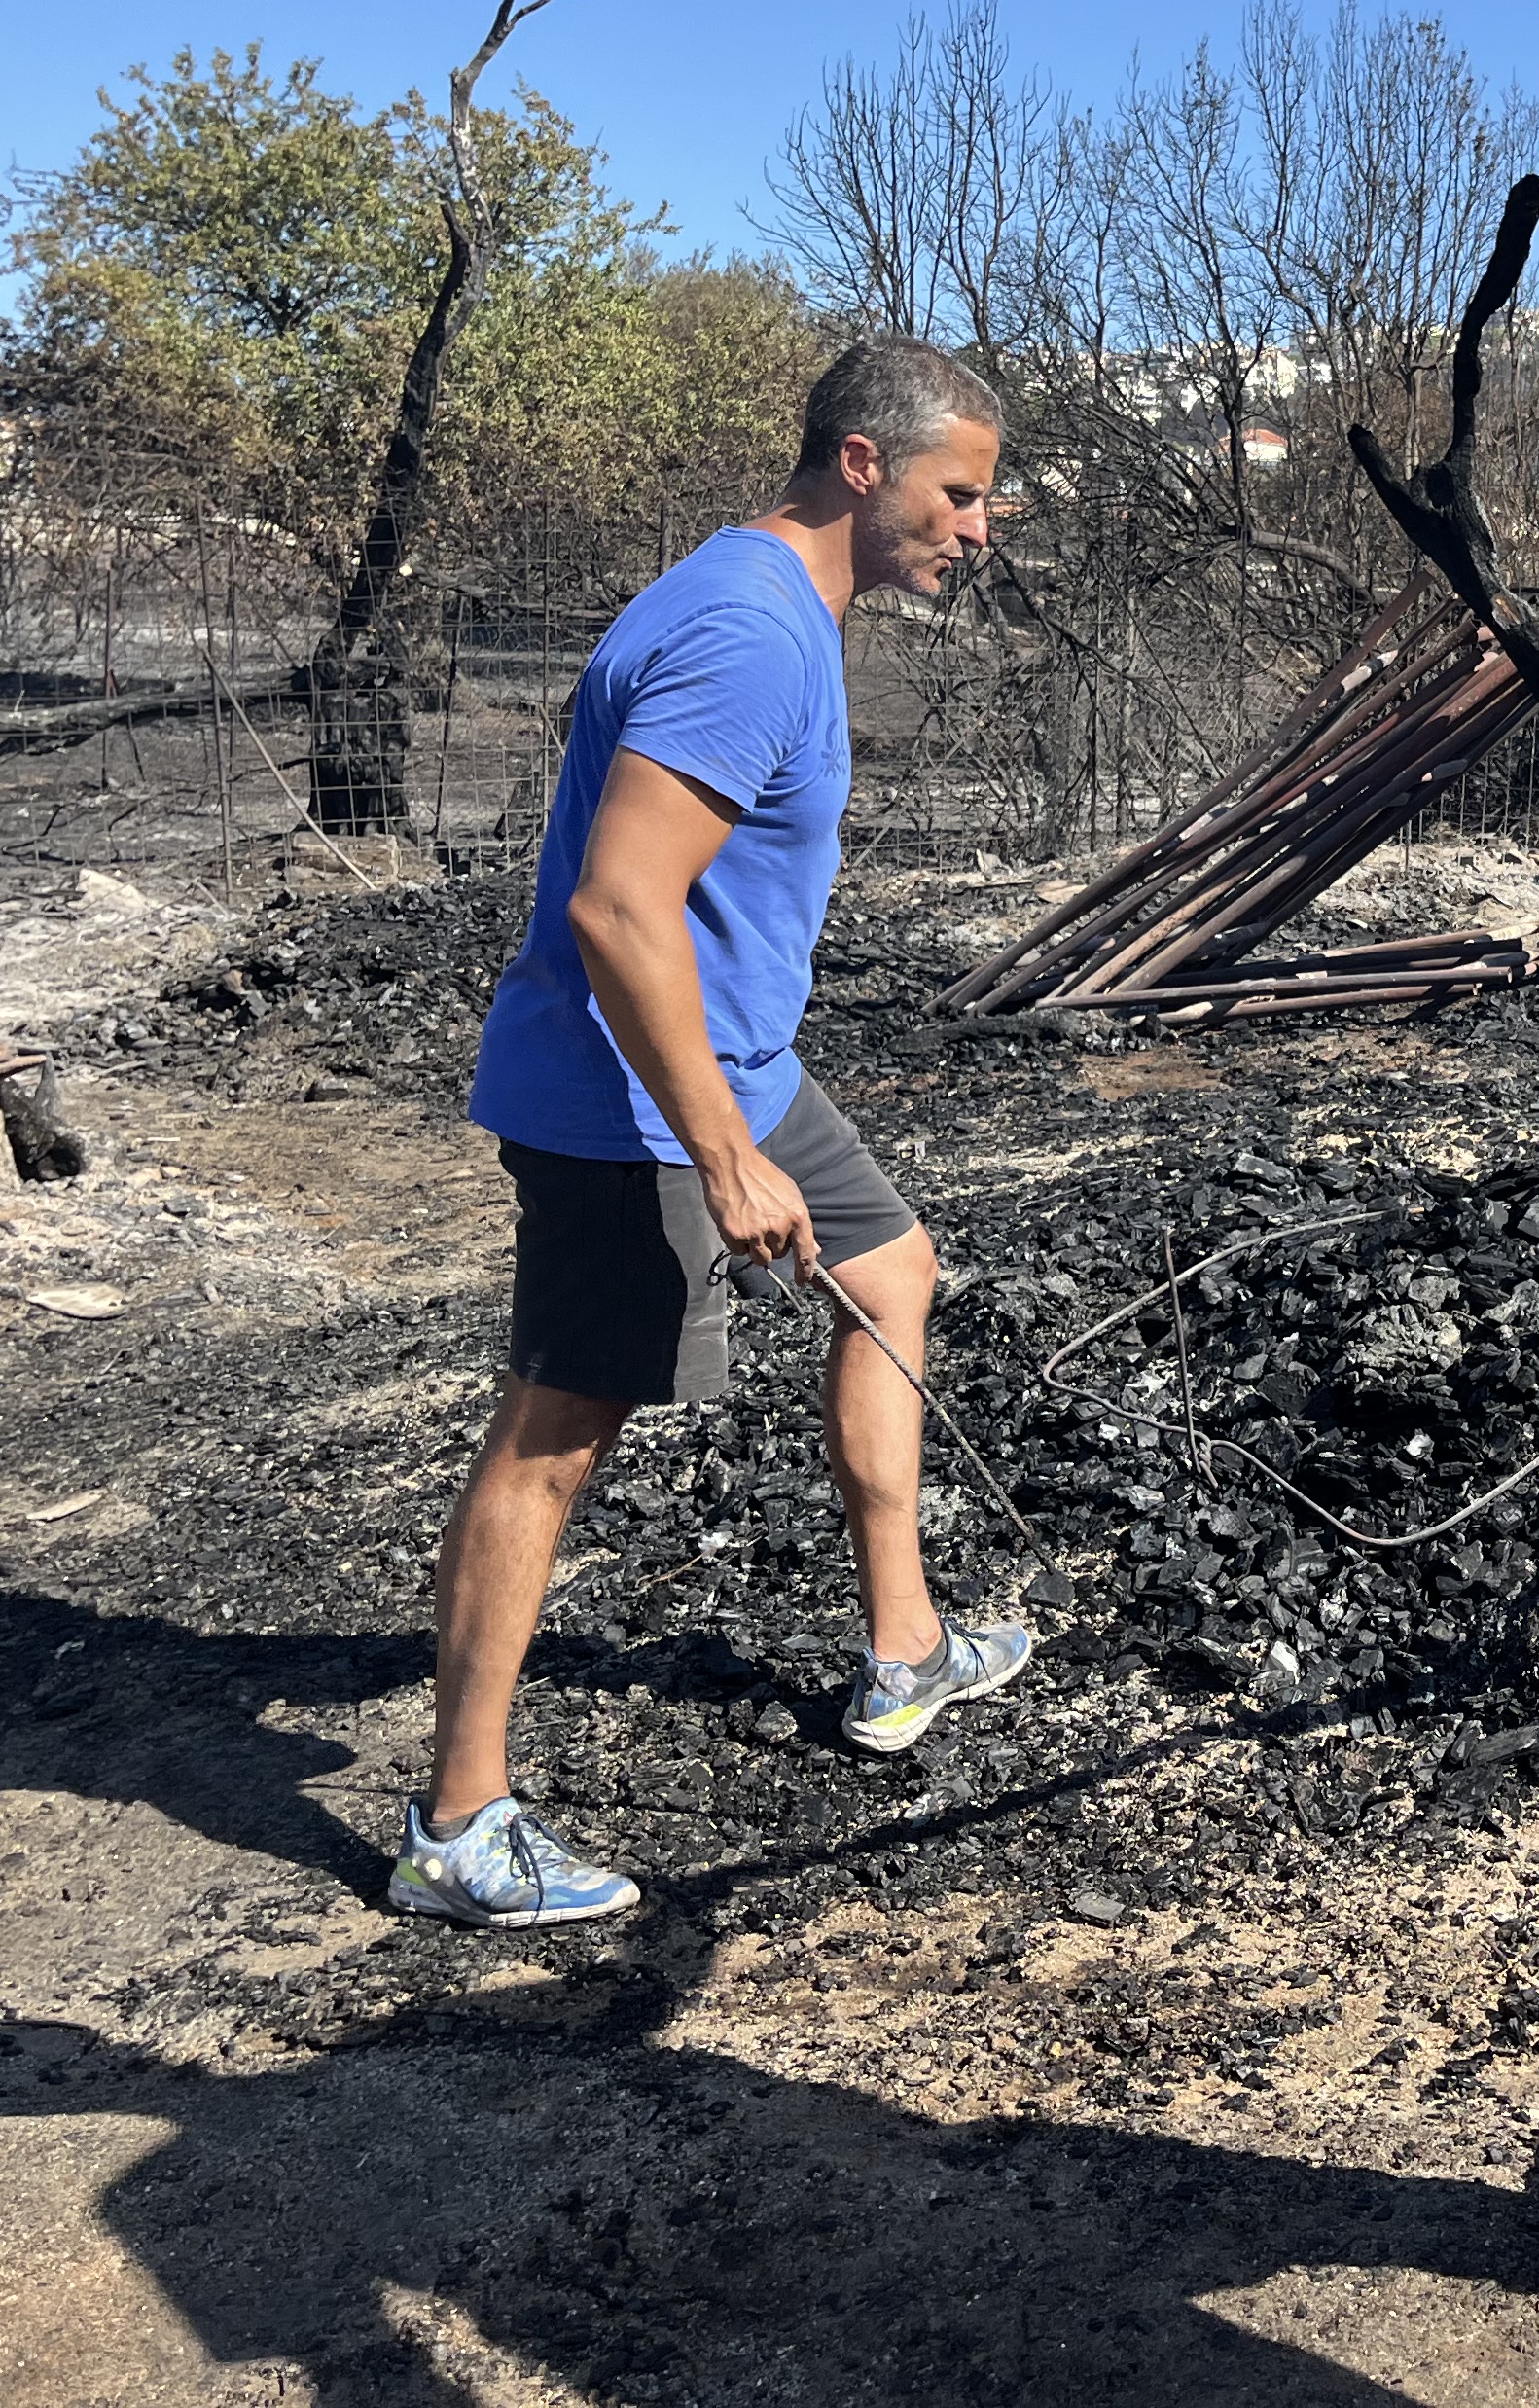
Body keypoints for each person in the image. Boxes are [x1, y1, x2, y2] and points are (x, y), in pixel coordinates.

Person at [393, 340, 1033, 1929]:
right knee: (552, 1444)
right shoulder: (751, 631)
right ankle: (457, 1826)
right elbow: (621, 904)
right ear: (865, 466)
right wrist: (719, 1152)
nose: (981, 525)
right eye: (962, 492)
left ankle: (906, 1648)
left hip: (735, 1069)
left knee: (891, 1270)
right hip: (631, 1102)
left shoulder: (777, 610)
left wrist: (745, 1119)